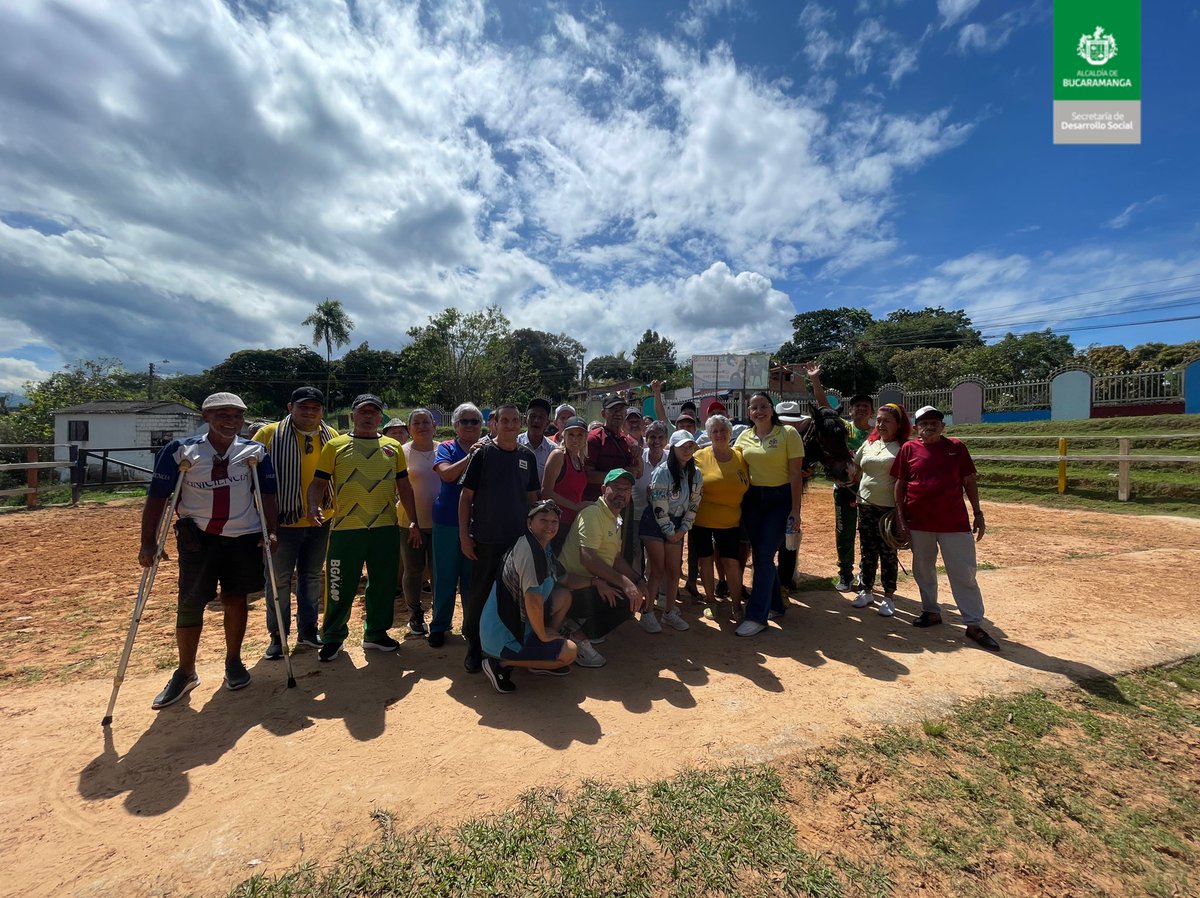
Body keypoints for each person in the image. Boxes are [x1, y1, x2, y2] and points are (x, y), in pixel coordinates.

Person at [140, 392, 278, 709]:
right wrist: (148, 541)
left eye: (237, 416)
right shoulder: (180, 451)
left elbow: (268, 494)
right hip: (198, 537)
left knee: (236, 597)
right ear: (206, 417)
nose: (231, 422)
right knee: (191, 601)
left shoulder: (254, 451)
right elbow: (158, 496)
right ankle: (185, 670)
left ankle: (233, 661)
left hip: (243, 535)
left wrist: (271, 530)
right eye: (223, 415)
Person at [307, 393, 420, 661]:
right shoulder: (335, 445)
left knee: (382, 584)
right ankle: (333, 636)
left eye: (373, 412)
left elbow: (404, 486)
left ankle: (376, 634)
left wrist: (413, 518)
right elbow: (318, 483)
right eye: (363, 412)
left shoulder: (393, 447)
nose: (368, 416)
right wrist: (312, 506)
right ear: (353, 415)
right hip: (346, 529)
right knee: (339, 585)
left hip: (385, 528)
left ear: (381, 417)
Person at [892, 406, 1000, 651]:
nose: (929, 426)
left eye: (934, 422)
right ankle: (931, 611)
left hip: (954, 523)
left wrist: (978, 513)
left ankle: (973, 624)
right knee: (923, 570)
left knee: (964, 573)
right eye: (924, 423)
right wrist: (900, 518)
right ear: (916, 428)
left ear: (943, 426)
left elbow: (969, 481)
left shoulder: (957, 447)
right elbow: (900, 484)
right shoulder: (909, 449)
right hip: (919, 522)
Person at [252, 385, 337, 659]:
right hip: (280, 522)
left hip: (320, 521)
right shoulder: (268, 435)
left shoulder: (332, 437)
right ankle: (278, 636)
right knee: (277, 580)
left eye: (315, 408)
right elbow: (251, 479)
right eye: (303, 407)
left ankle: (308, 630)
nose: (309, 412)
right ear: (291, 408)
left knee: (311, 577)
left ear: (322, 411)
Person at [458, 402, 542, 673]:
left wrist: (537, 536)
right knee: (480, 594)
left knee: (514, 595)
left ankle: (509, 645)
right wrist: (464, 536)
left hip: (518, 541)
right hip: (486, 539)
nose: (510, 425)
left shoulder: (527, 457)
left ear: (521, 423)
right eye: (504, 420)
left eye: (514, 420)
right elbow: (465, 497)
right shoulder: (483, 454)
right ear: (494, 423)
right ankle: (474, 647)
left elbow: (533, 499)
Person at [478, 500, 589, 693]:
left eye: (554, 521)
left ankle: (538, 657)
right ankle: (500, 663)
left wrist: (597, 581)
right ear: (530, 523)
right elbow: (533, 600)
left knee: (563, 596)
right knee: (569, 652)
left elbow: (565, 579)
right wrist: (543, 634)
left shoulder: (542, 547)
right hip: (503, 637)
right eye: (543, 520)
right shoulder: (530, 552)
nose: (549, 526)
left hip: (519, 623)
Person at [560, 468, 649, 668]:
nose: (621, 493)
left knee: (631, 597)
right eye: (616, 488)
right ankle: (575, 636)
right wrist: (625, 583)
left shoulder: (614, 518)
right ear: (603, 489)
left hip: (593, 582)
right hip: (573, 585)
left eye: (626, 490)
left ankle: (579, 625)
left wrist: (638, 580)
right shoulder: (593, 514)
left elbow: (615, 558)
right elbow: (588, 559)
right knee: (625, 599)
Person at [733, 392, 805, 637]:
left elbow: (795, 475)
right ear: (749, 412)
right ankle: (775, 605)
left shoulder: (788, 434)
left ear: (772, 409)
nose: (759, 411)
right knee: (761, 555)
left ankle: (756, 616)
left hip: (779, 500)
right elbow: (735, 466)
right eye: (754, 408)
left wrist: (795, 510)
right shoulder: (744, 436)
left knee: (763, 556)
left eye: (763, 406)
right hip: (753, 500)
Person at [806, 362, 872, 592]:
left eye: (865, 406)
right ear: (850, 411)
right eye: (857, 406)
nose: (861, 409)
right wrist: (815, 380)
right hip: (844, 490)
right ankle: (845, 575)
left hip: (870, 492)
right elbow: (823, 406)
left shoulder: (877, 433)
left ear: (871, 411)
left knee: (868, 535)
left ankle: (866, 574)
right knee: (844, 533)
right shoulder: (843, 427)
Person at [429, 403, 486, 648]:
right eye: (465, 421)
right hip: (447, 521)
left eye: (475, 421)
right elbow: (447, 475)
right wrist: (470, 456)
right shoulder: (447, 448)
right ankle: (439, 625)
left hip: (478, 522)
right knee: (445, 576)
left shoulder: (488, 449)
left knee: (472, 578)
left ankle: (471, 626)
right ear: (455, 425)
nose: (470, 425)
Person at [850, 404, 911, 618]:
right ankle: (866, 590)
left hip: (888, 509)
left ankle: (888, 595)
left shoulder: (904, 447)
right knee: (867, 549)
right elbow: (856, 468)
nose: (881, 424)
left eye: (886, 421)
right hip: (865, 505)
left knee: (888, 552)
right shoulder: (869, 443)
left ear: (898, 424)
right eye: (878, 420)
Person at [639, 430, 702, 633]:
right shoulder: (662, 471)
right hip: (654, 523)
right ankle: (647, 613)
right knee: (657, 570)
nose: (687, 450)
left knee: (674, 570)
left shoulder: (696, 473)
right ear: (673, 448)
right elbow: (659, 505)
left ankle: (669, 612)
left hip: (677, 524)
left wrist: (683, 529)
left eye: (690, 446)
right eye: (682, 446)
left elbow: (694, 504)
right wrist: (670, 531)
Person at [690, 414, 750, 616]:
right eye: (714, 431)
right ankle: (710, 601)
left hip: (730, 521)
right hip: (702, 519)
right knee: (705, 560)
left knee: (731, 563)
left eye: (723, 430)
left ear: (730, 433)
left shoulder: (740, 456)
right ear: (709, 434)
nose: (719, 434)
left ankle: (736, 605)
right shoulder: (699, 456)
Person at [585, 395, 643, 565]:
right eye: (613, 410)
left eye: (621, 410)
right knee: (600, 550)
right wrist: (619, 475)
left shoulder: (628, 441)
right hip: (599, 506)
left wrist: (638, 456)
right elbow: (588, 475)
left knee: (623, 550)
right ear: (604, 413)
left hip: (623, 505)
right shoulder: (594, 438)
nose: (618, 413)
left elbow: (638, 473)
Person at [398, 408, 439, 635]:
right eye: (417, 423)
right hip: (410, 522)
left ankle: (440, 613)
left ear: (434, 426)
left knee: (438, 570)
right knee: (413, 570)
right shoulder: (401, 452)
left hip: (440, 522)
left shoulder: (444, 449)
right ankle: (415, 613)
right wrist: (412, 520)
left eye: (426, 422)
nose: (422, 426)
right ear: (409, 428)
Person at [540, 415, 590, 554]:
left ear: (585, 438)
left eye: (580, 435)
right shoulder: (558, 455)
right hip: (555, 524)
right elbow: (546, 492)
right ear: (564, 435)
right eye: (571, 434)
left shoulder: (579, 459)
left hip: (572, 524)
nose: (575, 439)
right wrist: (576, 506)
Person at [518, 397, 556, 481]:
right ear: (525, 420)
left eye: (541, 417)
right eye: (533, 416)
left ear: (547, 423)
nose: (536, 420)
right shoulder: (514, 443)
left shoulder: (553, 450)